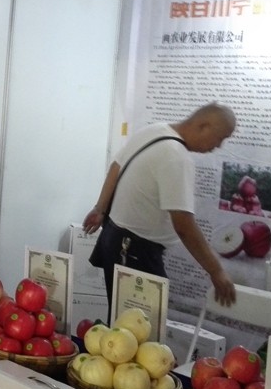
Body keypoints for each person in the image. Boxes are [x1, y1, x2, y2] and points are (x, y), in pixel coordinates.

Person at [83, 102, 237, 309]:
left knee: (125, 320)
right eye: (220, 138)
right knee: (138, 323)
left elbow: (116, 166)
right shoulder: (176, 157)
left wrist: (100, 208)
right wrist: (216, 271)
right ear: (204, 126)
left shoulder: (154, 130)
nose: (218, 146)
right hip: (134, 250)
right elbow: (183, 225)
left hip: (115, 238)